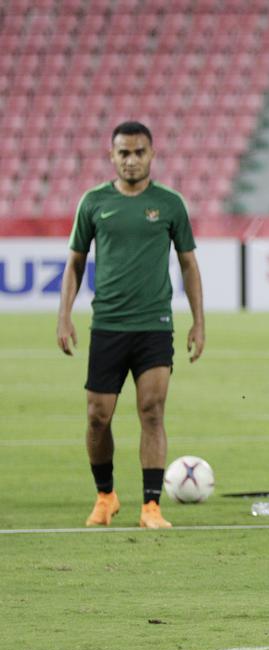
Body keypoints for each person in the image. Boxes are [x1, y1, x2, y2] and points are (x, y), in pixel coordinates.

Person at [56, 121, 206, 529]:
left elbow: (189, 264)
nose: (132, 160)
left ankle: (151, 506)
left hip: (154, 325)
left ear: (152, 154)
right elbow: (74, 262)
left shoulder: (169, 204)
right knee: (97, 416)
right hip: (107, 324)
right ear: (112, 156)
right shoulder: (93, 203)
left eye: (139, 152)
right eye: (124, 153)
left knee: (152, 411)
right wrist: (64, 315)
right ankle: (106, 496)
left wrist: (198, 322)